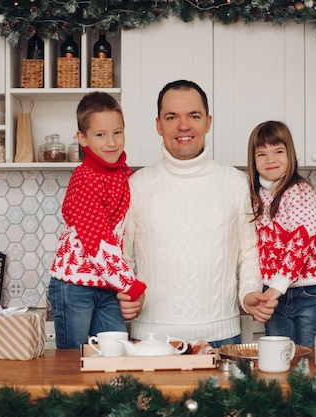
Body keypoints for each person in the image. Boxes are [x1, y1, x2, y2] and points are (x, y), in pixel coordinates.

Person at [117, 80, 276, 348]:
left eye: (194, 116)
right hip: (152, 339)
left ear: (208, 122)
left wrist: (249, 292)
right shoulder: (136, 185)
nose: (183, 126)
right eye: (171, 117)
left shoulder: (235, 182)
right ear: (158, 125)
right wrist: (127, 292)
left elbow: (249, 252)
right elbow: (122, 256)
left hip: (222, 337)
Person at [48, 92, 147, 349]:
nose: (112, 142)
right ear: (83, 138)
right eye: (100, 134)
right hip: (74, 285)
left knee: (114, 355)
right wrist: (130, 284)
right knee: (74, 361)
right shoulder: (85, 178)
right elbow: (98, 240)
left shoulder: (125, 176)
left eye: (118, 132)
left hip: (107, 285)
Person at [247, 120, 316, 347]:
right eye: (261, 154)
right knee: (278, 359)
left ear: (290, 154)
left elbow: (301, 241)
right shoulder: (255, 196)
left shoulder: (300, 191)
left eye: (278, 151)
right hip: (272, 292)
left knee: (310, 361)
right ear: (253, 161)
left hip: (310, 292)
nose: (271, 159)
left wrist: (277, 286)